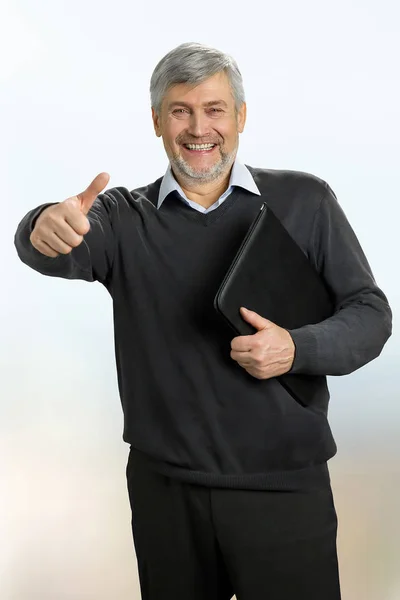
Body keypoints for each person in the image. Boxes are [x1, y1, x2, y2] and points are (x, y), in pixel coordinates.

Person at [14, 42, 392, 600]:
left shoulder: (304, 202)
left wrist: (296, 347)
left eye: (214, 109)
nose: (199, 128)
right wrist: (40, 225)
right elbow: (55, 244)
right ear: (157, 122)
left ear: (240, 116)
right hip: (166, 494)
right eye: (180, 110)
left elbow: (371, 314)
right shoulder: (123, 218)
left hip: (284, 491)